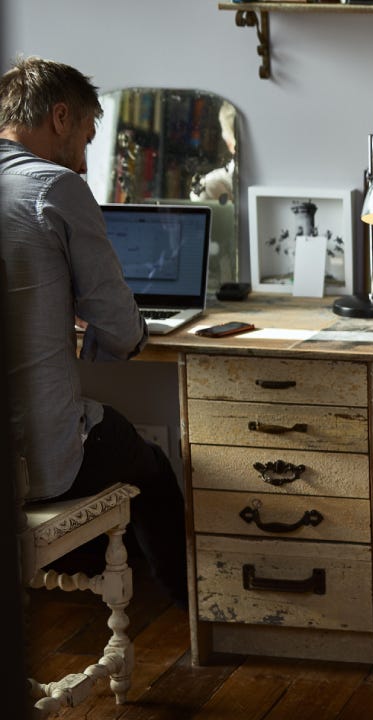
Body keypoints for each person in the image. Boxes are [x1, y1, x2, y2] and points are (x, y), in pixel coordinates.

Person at [1, 56, 188, 606]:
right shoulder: (53, 186)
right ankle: (190, 613)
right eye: (85, 137)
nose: (83, 163)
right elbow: (123, 330)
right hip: (37, 466)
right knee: (151, 464)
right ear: (59, 117)